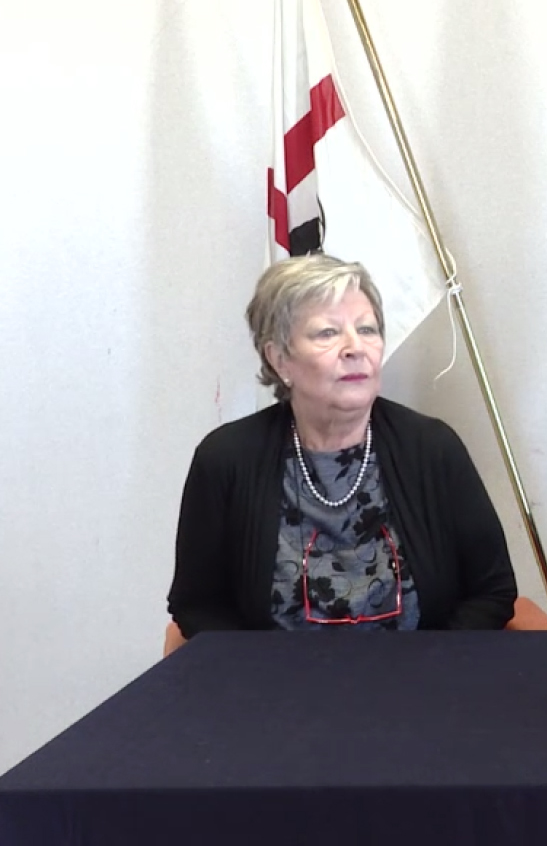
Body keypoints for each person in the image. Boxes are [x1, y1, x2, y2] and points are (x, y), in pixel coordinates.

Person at [167, 255, 516, 635]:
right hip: (277, 673)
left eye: (367, 329)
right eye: (327, 333)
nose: (355, 348)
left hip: (422, 670)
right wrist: (261, 668)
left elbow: (492, 591)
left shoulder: (432, 448)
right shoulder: (226, 459)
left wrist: (432, 662)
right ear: (280, 360)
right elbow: (197, 605)